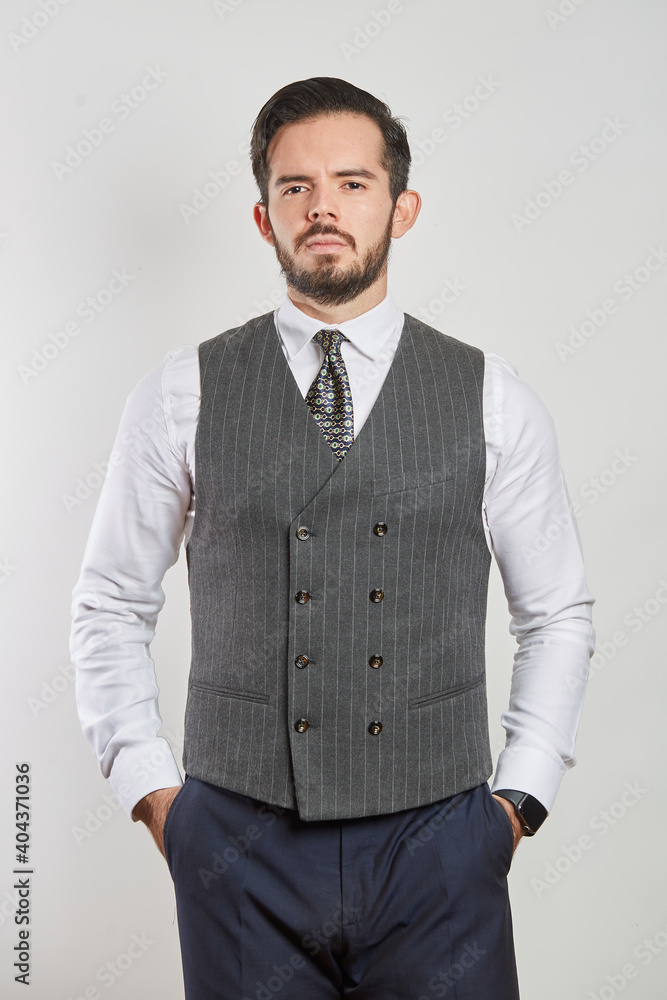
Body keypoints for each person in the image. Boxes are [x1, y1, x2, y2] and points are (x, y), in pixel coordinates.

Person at [70, 76, 595, 999]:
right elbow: (109, 602)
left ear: (402, 207)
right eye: (295, 187)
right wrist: (156, 796)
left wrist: (517, 800)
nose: (323, 208)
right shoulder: (179, 393)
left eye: (352, 183)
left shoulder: (492, 397)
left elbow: (556, 613)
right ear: (263, 218)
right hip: (238, 845)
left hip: (438, 844)